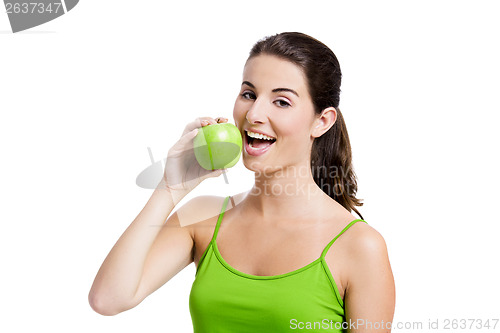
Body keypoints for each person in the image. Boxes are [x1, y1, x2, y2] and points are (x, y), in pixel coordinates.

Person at [89, 32, 395, 332]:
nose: (254, 114)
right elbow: (108, 299)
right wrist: (171, 187)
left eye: (282, 102)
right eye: (249, 94)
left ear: (322, 121)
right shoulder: (203, 218)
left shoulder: (359, 246)